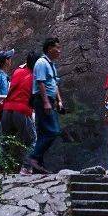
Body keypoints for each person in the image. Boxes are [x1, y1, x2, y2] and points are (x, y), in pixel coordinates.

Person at [27, 35, 65, 173]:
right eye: (57, 47)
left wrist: (59, 101)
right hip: (43, 100)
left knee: (43, 133)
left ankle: (38, 166)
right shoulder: (41, 63)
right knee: (53, 131)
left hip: (49, 100)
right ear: (49, 48)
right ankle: (33, 157)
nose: (59, 51)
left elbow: (54, 84)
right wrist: (46, 102)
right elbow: (41, 82)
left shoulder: (51, 65)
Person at [0, 51, 38, 170]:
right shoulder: (35, 77)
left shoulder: (17, 71)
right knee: (32, 140)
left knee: (5, 140)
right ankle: (26, 168)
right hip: (21, 109)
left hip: (7, 108)